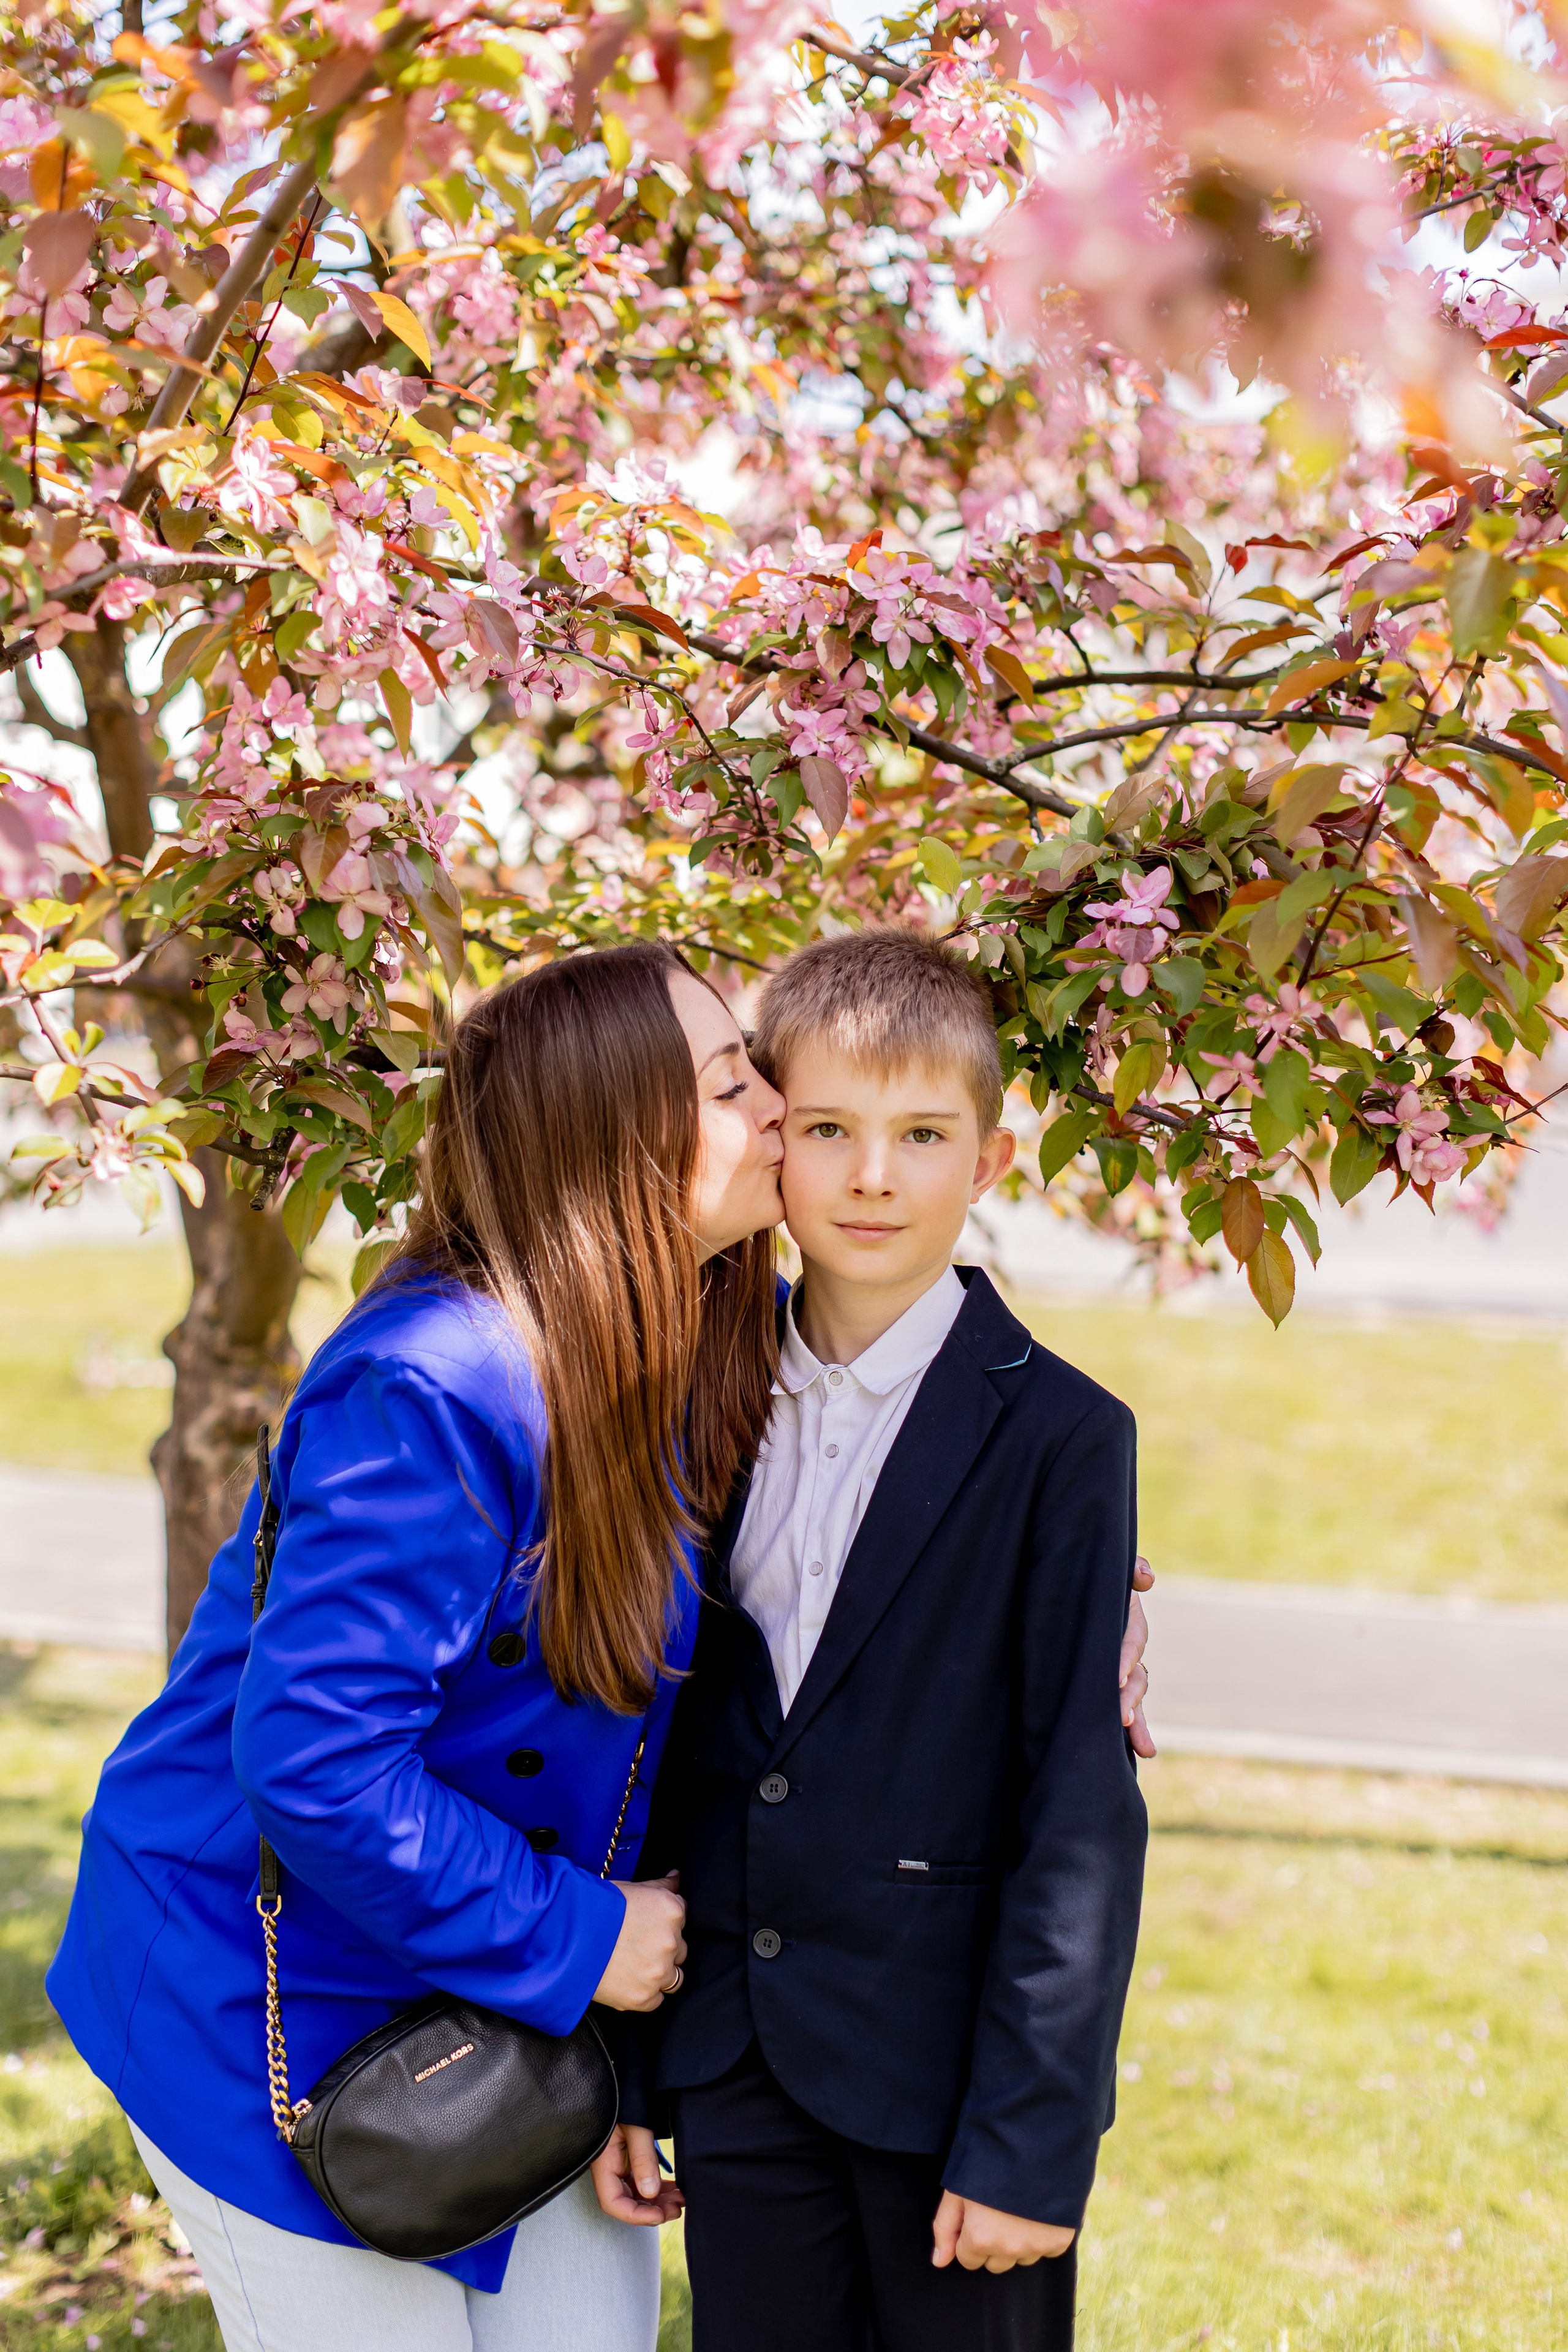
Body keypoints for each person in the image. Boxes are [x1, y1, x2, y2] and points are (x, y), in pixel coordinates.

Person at [45, 943, 790, 2352]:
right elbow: (318, 1766)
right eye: (730, 1080)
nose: (774, 1108)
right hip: (273, 1998)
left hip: (510, 1984)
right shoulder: (433, 1387)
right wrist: (580, 1943)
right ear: (616, 1137)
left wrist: (1059, 1581)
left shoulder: (693, 1335)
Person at [608, 928, 1150, 2352]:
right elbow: (653, 1750)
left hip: (946, 2082)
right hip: (732, 2057)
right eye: (830, 1130)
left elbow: (1078, 1810)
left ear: (989, 1158)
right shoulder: (694, 1392)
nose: (869, 1177)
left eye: (921, 1136)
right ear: (769, 1141)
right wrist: (627, 2076)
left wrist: (1031, 2140)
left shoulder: (1062, 1439)